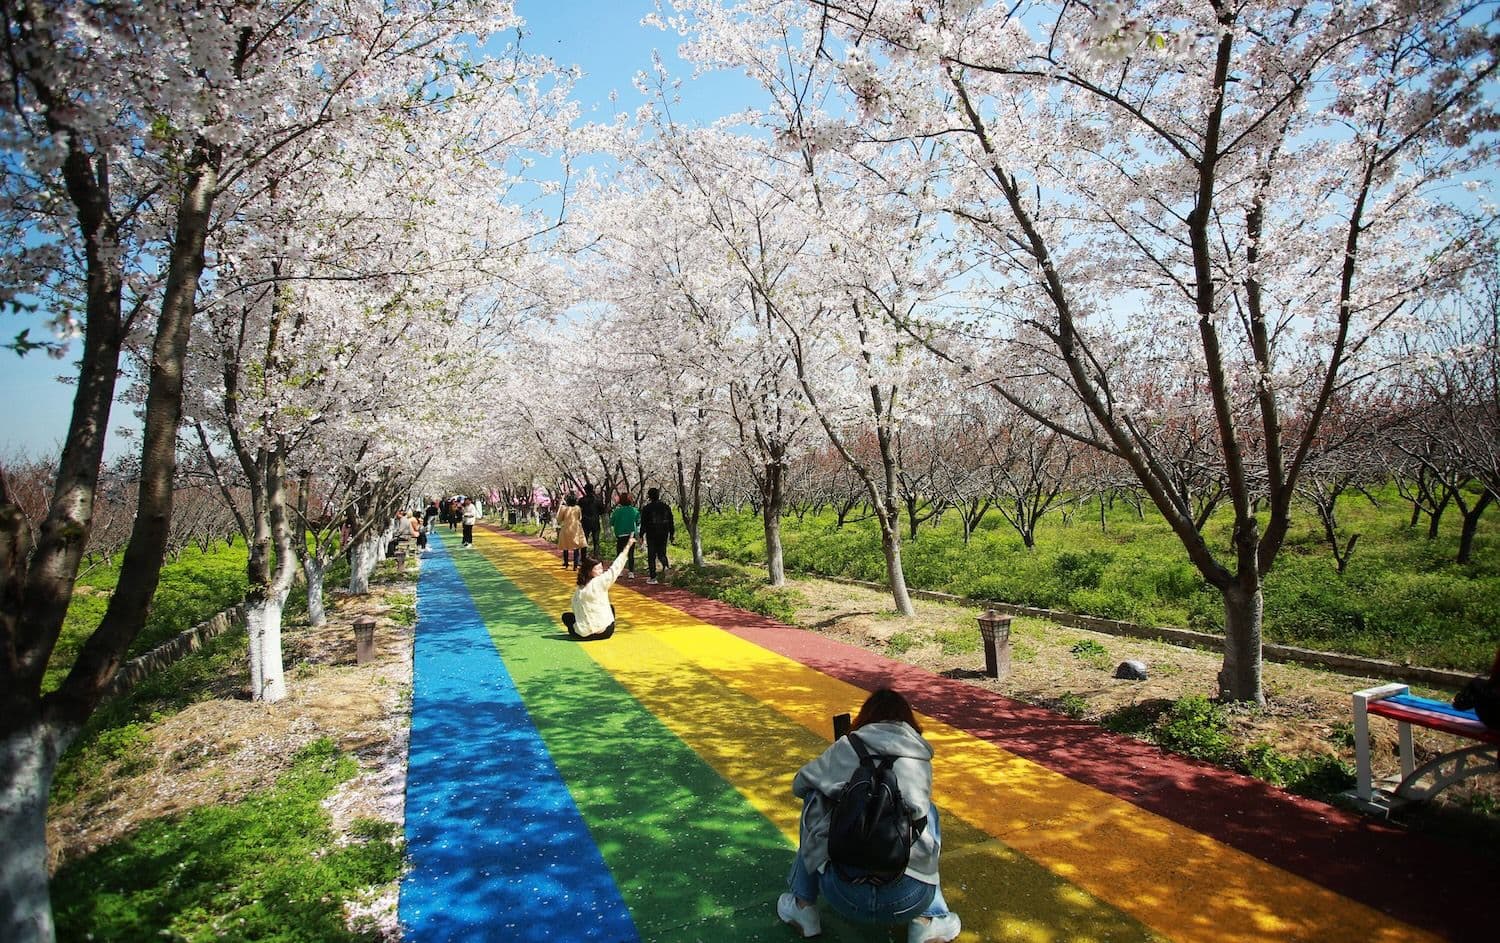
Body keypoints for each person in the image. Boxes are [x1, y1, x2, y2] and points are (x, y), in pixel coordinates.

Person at [778, 688, 961, 943]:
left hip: (843, 894)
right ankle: (928, 920)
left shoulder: (847, 746)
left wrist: (838, 784)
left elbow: (800, 785)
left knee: (815, 798)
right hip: (909, 898)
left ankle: (802, 906)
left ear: (865, 718)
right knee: (927, 813)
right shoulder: (920, 756)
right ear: (908, 721)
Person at [560, 536, 636, 641]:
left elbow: (576, 609)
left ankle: (586, 631)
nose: (601, 571)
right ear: (589, 570)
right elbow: (616, 568)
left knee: (566, 617)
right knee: (611, 608)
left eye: (601, 568)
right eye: (598, 569)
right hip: (605, 632)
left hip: (583, 634)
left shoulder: (579, 588)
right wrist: (627, 546)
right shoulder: (600, 581)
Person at [640, 487, 675, 584]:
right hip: (664, 533)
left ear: (649, 497)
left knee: (651, 555)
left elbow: (643, 523)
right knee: (662, 553)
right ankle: (666, 567)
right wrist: (672, 533)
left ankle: (653, 577)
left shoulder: (647, 508)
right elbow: (671, 521)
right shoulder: (666, 507)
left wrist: (641, 535)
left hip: (651, 534)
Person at [609, 492, 641, 580]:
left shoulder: (617, 511)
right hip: (631, 534)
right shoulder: (634, 510)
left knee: (620, 553)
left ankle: (620, 571)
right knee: (631, 554)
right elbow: (638, 521)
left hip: (620, 534)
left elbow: (611, 522)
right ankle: (631, 572)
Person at [555, 494, 585, 569]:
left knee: (566, 546)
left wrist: (560, 506)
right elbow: (580, 517)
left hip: (566, 528)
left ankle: (566, 563)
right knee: (576, 546)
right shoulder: (577, 508)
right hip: (576, 528)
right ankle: (575, 564)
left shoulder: (563, 508)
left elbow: (559, 519)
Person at [579, 482, 604, 557]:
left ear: (585, 490)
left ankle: (583, 558)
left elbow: (578, 511)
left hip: (585, 522)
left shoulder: (582, 500)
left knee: (584, 540)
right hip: (595, 522)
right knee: (596, 541)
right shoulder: (598, 499)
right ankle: (596, 557)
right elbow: (602, 511)